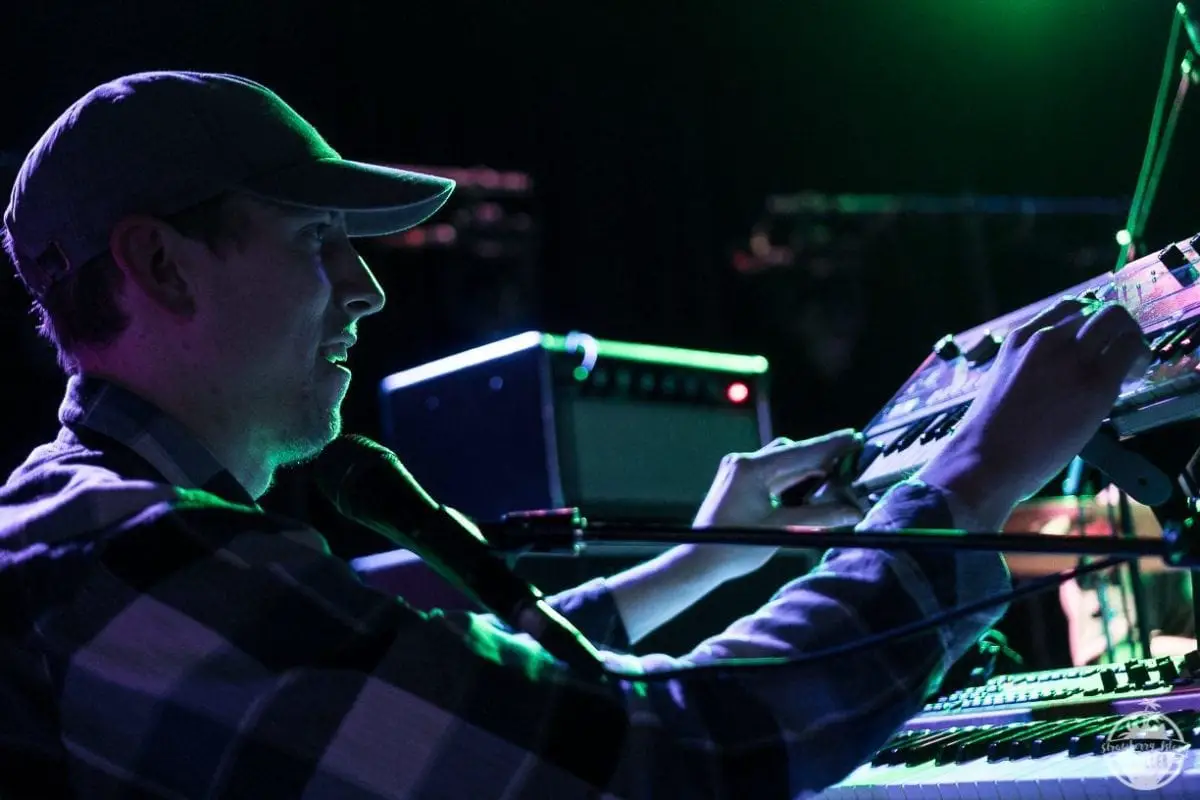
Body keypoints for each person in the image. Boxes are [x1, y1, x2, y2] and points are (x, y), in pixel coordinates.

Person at [0, 71, 1150, 799]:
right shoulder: (126, 557)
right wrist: (970, 478)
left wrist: (698, 560)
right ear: (161, 264)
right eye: (315, 239)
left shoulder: (101, 524)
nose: (367, 287)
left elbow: (441, 686)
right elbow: (659, 764)